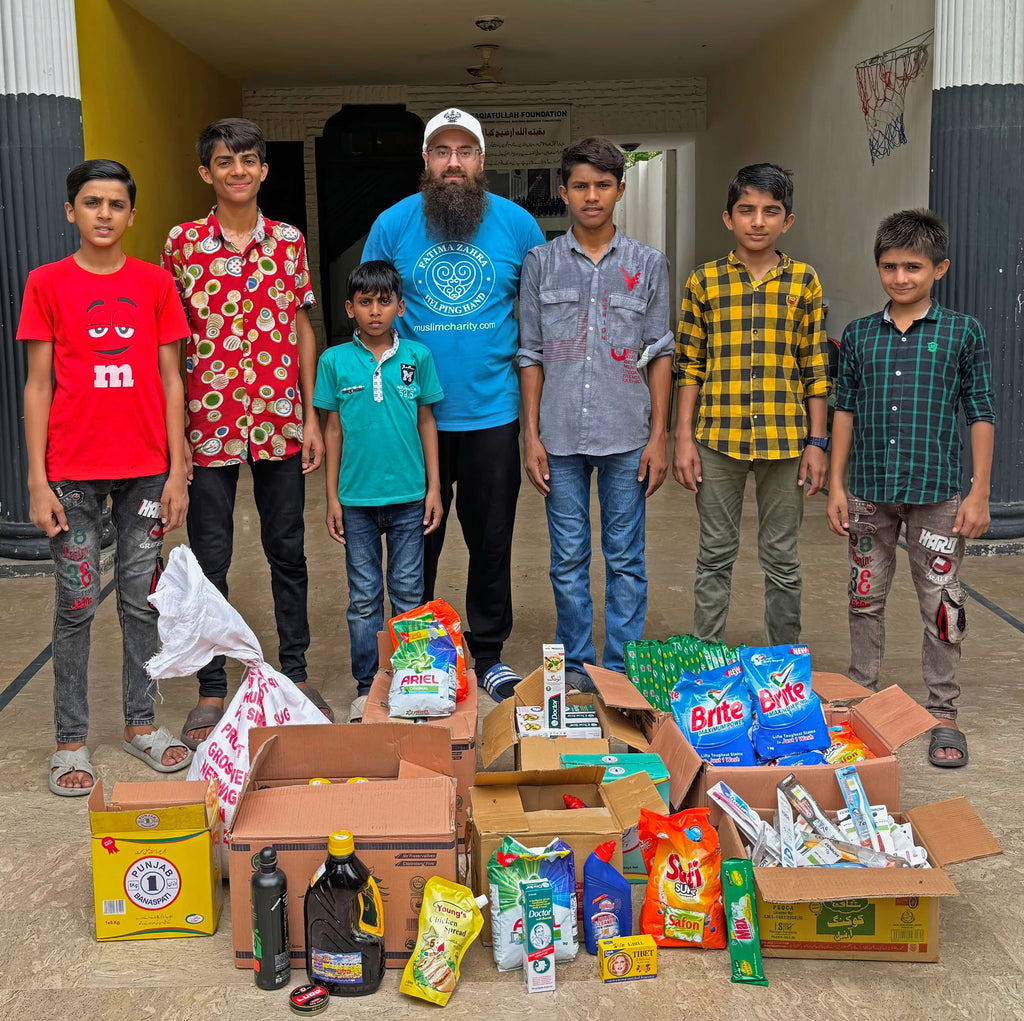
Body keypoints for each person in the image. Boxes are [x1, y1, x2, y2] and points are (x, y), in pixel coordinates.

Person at [20, 159, 193, 794]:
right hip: (70, 472)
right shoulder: (46, 283)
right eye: (91, 202)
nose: (102, 214)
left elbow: (173, 378)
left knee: (139, 602)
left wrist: (179, 469)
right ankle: (70, 739)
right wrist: (36, 481)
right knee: (74, 605)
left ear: (131, 216)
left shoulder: (154, 284)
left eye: (115, 204)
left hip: (146, 471)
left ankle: (142, 724)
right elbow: (39, 385)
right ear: (71, 211)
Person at [362, 108, 545, 702]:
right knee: (419, 541)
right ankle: (421, 654)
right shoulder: (392, 225)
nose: (453, 163)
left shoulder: (518, 227)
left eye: (465, 151)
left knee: (492, 539)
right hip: (416, 418)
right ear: (426, 160)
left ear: (482, 161)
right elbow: (371, 315)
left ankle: (487, 652)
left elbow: (540, 324)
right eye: (442, 151)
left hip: (494, 411)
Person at [162, 117, 332, 748]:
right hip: (207, 425)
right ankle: (212, 686)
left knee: (287, 548)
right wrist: (175, 436)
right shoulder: (181, 244)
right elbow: (170, 344)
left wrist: (312, 414)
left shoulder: (288, 241)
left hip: (280, 421)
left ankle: (295, 671)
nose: (238, 171)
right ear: (207, 171)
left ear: (265, 170)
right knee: (211, 557)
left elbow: (302, 325)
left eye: (249, 161)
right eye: (225, 161)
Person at [826, 209, 995, 769]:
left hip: (941, 495)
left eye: (913, 267)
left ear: (939, 268)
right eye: (890, 267)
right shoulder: (858, 337)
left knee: (941, 604)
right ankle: (861, 691)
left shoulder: (962, 333)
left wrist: (979, 493)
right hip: (871, 494)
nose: (900, 278)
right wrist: (836, 486)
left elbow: (981, 412)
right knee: (863, 596)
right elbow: (843, 412)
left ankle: (943, 714)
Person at [518, 137, 674, 689]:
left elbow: (660, 354)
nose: (592, 196)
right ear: (564, 193)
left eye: (603, 185)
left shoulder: (648, 265)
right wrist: (530, 436)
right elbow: (530, 354)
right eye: (581, 186)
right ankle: (581, 668)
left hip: (627, 434)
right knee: (567, 560)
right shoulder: (540, 263)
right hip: (558, 438)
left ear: (620, 191)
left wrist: (659, 437)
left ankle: (622, 672)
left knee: (626, 557)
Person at [673, 163, 830, 644]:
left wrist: (817, 442)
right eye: (746, 211)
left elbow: (815, 367)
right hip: (718, 438)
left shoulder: (804, 282)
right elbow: (689, 366)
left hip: (785, 440)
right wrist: (683, 437)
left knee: (782, 558)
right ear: (728, 219)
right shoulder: (704, 282)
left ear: (788, 221)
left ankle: (785, 663)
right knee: (715, 554)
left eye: (770, 211)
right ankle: (707, 659)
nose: (757, 221)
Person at [313, 261, 444, 722]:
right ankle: (368, 687)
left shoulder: (417, 358)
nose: (375, 311)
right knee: (364, 597)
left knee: (409, 594)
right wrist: (331, 498)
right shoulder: (333, 362)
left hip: (410, 499)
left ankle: (410, 682)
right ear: (350, 309)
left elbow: (427, 422)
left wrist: (434, 488)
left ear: (401, 306)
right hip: (356, 503)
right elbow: (332, 432)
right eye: (365, 302)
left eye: (384, 302)